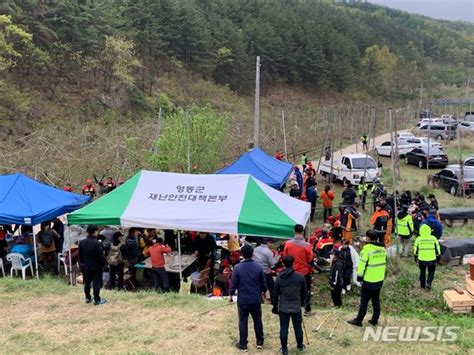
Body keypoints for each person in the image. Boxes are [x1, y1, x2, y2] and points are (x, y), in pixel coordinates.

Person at [229, 244, 267, 352]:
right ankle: (260, 342)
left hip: (243, 300)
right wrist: (264, 292)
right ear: (252, 254)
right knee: (257, 320)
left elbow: (234, 283)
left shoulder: (237, 268)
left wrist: (231, 295)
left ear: (241, 254)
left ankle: (243, 344)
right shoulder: (258, 267)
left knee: (243, 321)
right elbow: (263, 283)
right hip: (255, 298)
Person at [348, 230, 386, 327]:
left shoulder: (367, 250)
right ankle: (374, 320)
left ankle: (359, 320)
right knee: (376, 301)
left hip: (369, 280)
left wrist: (359, 278)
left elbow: (361, 266)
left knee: (364, 302)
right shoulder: (382, 249)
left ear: (368, 238)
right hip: (379, 279)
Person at [273, 255, 306, 355]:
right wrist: (303, 304)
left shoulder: (279, 278)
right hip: (296, 306)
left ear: (283, 263)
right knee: (298, 327)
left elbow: (275, 294)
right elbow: (304, 292)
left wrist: (275, 307)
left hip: (284, 307)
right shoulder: (300, 277)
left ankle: (284, 349)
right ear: (294, 263)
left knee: (284, 328)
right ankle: (300, 346)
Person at [284, 224, 314, 316]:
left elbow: (285, 257)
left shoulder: (288, 244)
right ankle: (307, 310)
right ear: (302, 232)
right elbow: (310, 259)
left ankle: (291, 308)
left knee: (291, 290)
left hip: (291, 271)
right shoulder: (307, 245)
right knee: (306, 290)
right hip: (304, 271)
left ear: (294, 231)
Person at [79, 225, 106, 305]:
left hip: (86, 265)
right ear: (95, 232)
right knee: (96, 283)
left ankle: (88, 297)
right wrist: (103, 264)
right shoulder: (97, 243)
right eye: (97, 231)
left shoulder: (82, 242)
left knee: (87, 282)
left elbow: (80, 255)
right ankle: (97, 299)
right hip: (96, 266)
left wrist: (83, 263)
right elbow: (101, 255)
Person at [253, 238, 280, 305]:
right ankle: (274, 301)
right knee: (271, 287)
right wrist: (277, 257)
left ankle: (258, 301)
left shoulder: (255, 249)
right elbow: (272, 263)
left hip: (256, 272)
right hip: (266, 272)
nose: (271, 244)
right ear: (268, 242)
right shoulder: (268, 251)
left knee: (258, 287)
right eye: (271, 243)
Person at [414, 224, 441, 290]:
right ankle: (429, 283)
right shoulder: (433, 238)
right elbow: (438, 250)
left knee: (422, 272)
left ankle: (422, 285)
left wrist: (415, 258)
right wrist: (438, 258)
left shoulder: (418, 239)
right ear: (429, 230)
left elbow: (415, 251)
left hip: (422, 259)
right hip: (432, 259)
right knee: (431, 272)